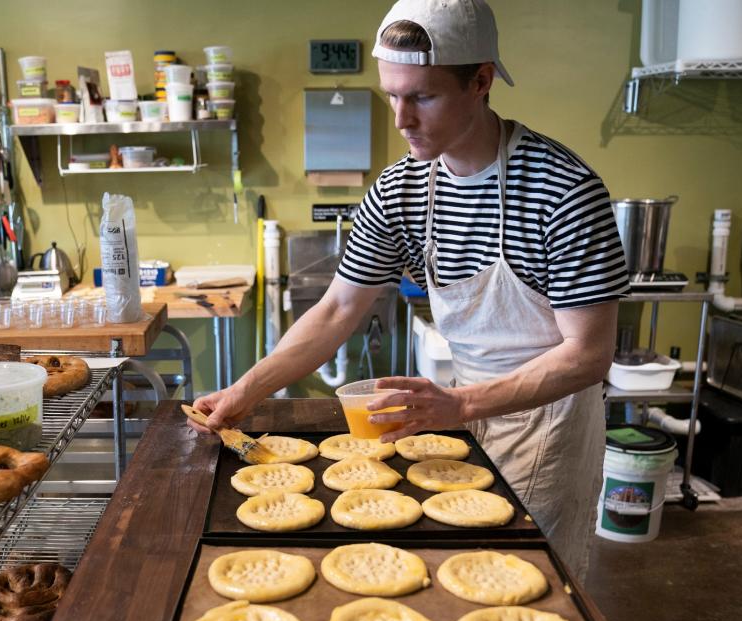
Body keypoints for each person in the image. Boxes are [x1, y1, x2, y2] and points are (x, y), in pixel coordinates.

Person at [192, 0, 628, 580]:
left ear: (481, 81)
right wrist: (248, 391)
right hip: (462, 408)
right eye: (391, 95)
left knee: (530, 581)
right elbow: (338, 309)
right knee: (456, 572)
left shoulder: (561, 189)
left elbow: (589, 354)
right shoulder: (401, 189)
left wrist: (462, 404)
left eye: (422, 96)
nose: (401, 119)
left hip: (549, 420)